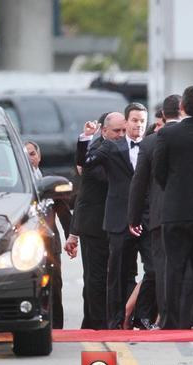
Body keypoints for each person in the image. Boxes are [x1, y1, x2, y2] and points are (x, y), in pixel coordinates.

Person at [85, 102, 157, 330]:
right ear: (126, 123)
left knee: (153, 268)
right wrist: (86, 139)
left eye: (142, 121)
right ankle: (114, 320)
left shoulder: (152, 146)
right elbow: (86, 165)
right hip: (118, 220)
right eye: (135, 120)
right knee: (117, 273)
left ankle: (143, 316)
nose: (139, 125)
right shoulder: (112, 147)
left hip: (146, 220)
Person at [154, 86, 193, 330]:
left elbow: (159, 170)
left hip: (175, 209)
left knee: (174, 266)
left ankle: (170, 323)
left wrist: (172, 189)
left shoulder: (168, 135)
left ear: (181, 107)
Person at [65, 112, 126, 329]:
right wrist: (74, 232)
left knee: (117, 275)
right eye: (117, 131)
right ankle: (97, 324)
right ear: (104, 130)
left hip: (117, 222)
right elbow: (89, 186)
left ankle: (102, 321)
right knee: (95, 277)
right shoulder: (96, 148)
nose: (121, 135)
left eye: (123, 131)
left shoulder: (125, 147)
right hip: (95, 224)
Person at [128, 94, 182, 325]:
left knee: (161, 268)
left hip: (160, 216)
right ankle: (190, 319)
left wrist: (133, 217)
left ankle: (165, 318)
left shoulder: (150, 143)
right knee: (185, 268)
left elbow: (139, 183)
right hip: (189, 214)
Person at [25, 141, 71, 329]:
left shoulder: (48, 182)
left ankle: (56, 328)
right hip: (23, 246)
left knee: (54, 288)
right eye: (25, 154)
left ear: (39, 156)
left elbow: (64, 213)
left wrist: (72, 237)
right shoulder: (15, 184)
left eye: (32, 153)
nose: (29, 158)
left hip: (50, 245)